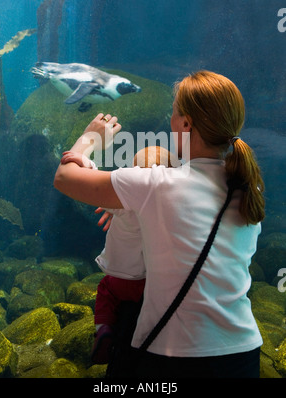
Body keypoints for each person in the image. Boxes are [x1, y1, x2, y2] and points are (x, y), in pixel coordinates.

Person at [54, 70, 265, 378]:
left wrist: (90, 139)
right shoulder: (249, 189)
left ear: (186, 124)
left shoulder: (157, 185)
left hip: (174, 356)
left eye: (173, 113)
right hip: (242, 354)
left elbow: (65, 179)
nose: (170, 120)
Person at [61, 146, 175, 364]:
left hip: (123, 281)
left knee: (105, 289)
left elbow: (95, 184)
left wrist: (86, 162)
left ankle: (102, 329)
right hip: (157, 284)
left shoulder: (124, 201)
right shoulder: (171, 204)